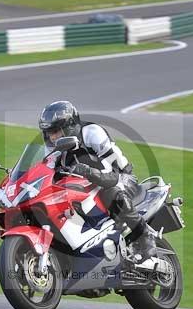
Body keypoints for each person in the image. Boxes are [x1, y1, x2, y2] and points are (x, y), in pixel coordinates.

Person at [38, 100, 156, 260]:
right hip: (88, 187)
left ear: (69, 126)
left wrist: (89, 171)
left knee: (110, 192)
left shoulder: (91, 133)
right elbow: (48, 171)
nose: (52, 137)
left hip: (121, 178)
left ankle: (144, 234)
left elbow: (113, 174)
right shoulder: (53, 147)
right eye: (48, 133)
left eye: (55, 131)